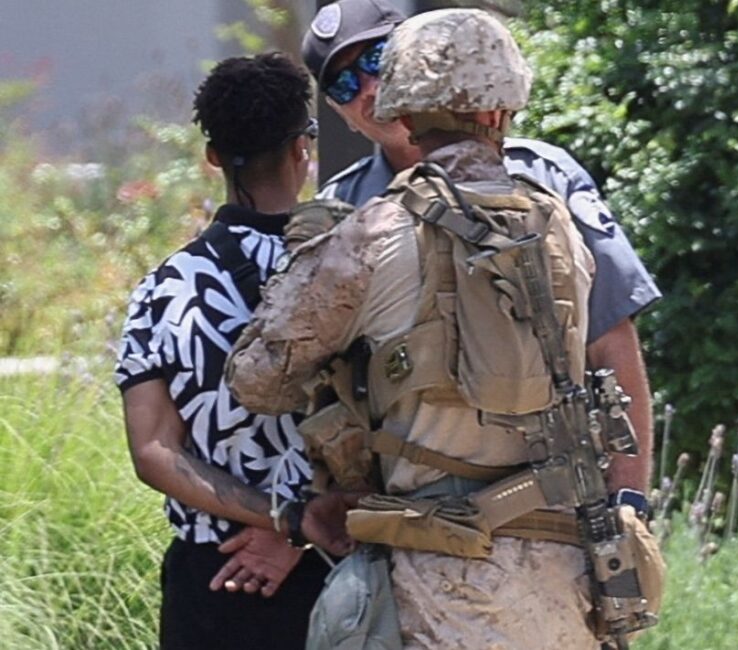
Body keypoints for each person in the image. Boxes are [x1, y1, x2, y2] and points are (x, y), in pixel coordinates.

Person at [228, 9, 662, 649]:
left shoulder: (368, 233)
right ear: (500, 111)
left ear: (403, 112)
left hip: (438, 584)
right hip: (566, 580)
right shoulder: (558, 222)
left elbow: (258, 382)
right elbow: (610, 356)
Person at [300, 0, 659, 505]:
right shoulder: (340, 211)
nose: (369, 89)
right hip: (411, 513)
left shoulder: (543, 178)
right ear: (337, 112)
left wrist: (630, 497)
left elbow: (610, 338)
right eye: (342, 84)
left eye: (376, 60)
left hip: (555, 497)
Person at [115, 53, 351, 649]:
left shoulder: (164, 289)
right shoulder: (357, 264)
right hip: (341, 571)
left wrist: (284, 519)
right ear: (304, 147)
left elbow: (153, 452)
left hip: (213, 578)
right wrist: (306, 524)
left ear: (213, 156)